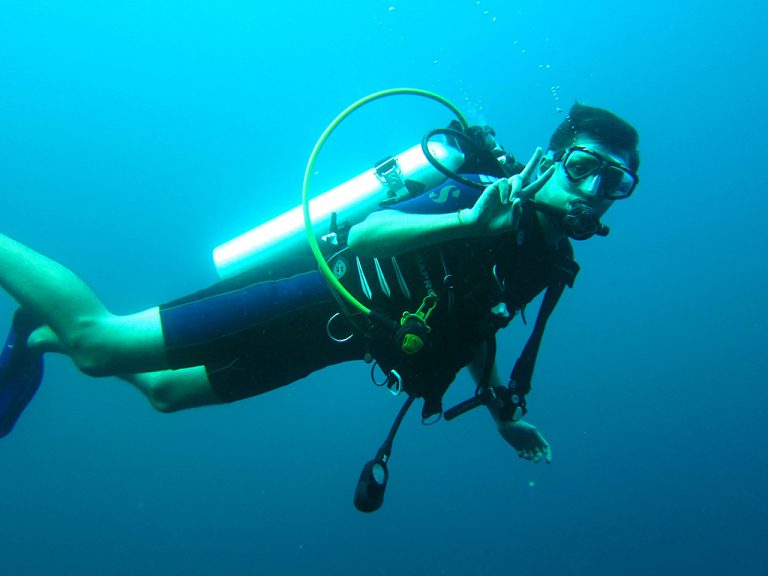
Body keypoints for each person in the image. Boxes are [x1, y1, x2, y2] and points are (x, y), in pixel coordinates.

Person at [0, 103, 639, 471]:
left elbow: (475, 321)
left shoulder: (544, 260)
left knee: (165, 393)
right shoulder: (485, 195)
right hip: (309, 294)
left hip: (334, 343)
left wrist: (500, 412)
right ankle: (55, 323)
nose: (592, 190)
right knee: (100, 346)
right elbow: (365, 234)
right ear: (552, 159)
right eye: (583, 167)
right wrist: (468, 221)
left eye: (614, 183)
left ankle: (37, 335)